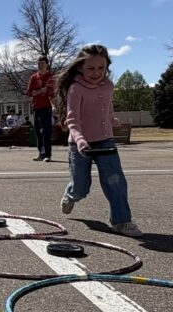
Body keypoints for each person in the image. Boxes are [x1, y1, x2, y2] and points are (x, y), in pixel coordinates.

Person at [57, 44, 141, 237]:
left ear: (107, 66)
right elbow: (73, 120)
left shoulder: (108, 85)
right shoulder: (75, 89)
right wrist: (80, 141)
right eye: (91, 68)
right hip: (79, 144)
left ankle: (121, 221)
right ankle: (71, 195)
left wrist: (111, 119)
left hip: (105, 141)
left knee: (115, 181)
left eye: (101, 68)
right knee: (81, 188)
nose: (97, 73)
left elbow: (105, 106)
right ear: (80, 68)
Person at [27, 55, 56, 162]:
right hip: (36, 107)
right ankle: (41, 153)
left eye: (42, 63)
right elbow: (30, 92)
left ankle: (47, 154)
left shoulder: (50, 77)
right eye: (38, 63)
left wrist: (54, 105)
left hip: (46, 107)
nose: (40, 65)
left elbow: (51, 93)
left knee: (46, 131)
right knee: (38, 131)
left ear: (47, 64)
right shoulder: (34, 77)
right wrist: (40, 91)